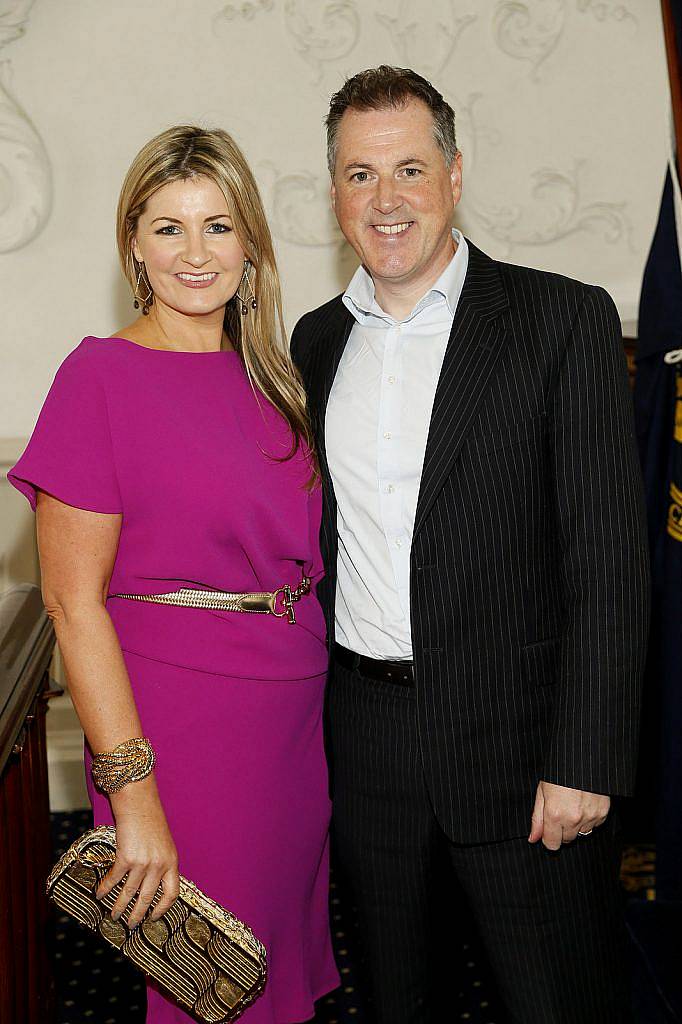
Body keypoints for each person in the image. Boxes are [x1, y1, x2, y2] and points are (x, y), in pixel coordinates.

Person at [291, 66, 650, 1024]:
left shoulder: (559, 320)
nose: (388, 198)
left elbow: (609, 562)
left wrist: (585, 756)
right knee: (400, 1001)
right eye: (361, 175)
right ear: (335, 194)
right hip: (367, 743)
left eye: (410, 167)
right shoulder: (313, 345)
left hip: (527, 747)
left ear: (455, 173)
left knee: (559, 1001)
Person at [9, 125, 339, 1024]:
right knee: (210, 989)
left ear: (252, 248)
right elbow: (74, 606)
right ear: (134, 247)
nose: (196, 253)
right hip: (183, 731)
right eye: (168, 228)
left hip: (291, 721)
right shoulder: (99, 378)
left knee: (269, 979)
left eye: (219, 227)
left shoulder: (278, 377)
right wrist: (132, 794)